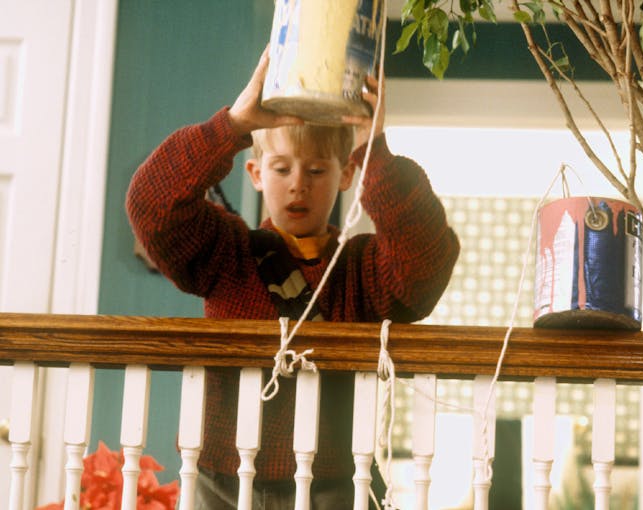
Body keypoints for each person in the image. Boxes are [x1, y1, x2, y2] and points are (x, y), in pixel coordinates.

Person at [126, 47, 460, 510]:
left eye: (317, 170)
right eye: (282, 168)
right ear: (256, 173)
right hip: (221, 475)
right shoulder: (227, 253)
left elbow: (425, 263)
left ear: (346, 175)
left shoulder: (362, 270)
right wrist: (234, 126)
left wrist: (373, 147)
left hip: (334, 481)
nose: (298, 183)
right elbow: (151, 206)